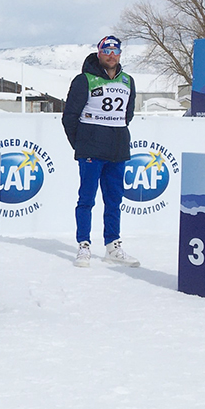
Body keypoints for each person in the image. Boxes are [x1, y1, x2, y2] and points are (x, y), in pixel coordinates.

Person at [62, 35, 140, 268]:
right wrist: (82, 143)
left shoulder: (128, 80)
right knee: (86, 199)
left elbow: (128, 114)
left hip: (117, 149)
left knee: (114, 200)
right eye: (107, 50)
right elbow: (69, 117)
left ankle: (113, 245)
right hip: (91, 149)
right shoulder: (84, 80)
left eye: (115, 51)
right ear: (99, 53)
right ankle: (84, 245)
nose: (111, 55)